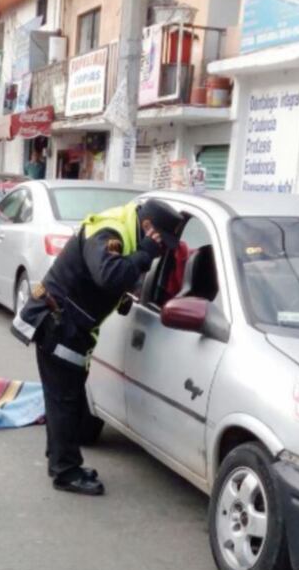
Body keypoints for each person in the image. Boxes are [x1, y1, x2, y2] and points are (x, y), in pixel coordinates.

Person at [12, 199, 183, 496]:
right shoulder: (109, 232)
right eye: (160, 242)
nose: (161, 250)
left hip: (70, 325)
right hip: (58, 322)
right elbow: (109, 275)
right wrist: (144, 254)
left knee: (66, 397)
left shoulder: (126, 230)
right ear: (147, 227)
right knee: (65, 399)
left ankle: (61, 459)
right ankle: (66, 472)